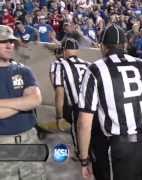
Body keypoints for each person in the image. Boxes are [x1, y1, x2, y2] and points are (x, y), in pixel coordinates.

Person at [77, 25, 142, 180]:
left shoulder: (95, 69)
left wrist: (84, 159)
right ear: (125, 45)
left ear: (102, 47)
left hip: (123, 148)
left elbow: (84, 121)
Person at [53, 38, 110, 180]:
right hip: (97, 109)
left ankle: (85, 162)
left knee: (81, 141)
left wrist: (59, 116)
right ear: (77, 51)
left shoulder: (59, 64)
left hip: (78, 108)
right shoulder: (88, 64)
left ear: (65, 51)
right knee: (98, 143)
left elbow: (59, 92)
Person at [0, 25, 46, 180]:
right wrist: (22, 103)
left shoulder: (23, 70)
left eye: (11, 41)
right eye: (3, 41)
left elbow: (35, 99)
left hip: (29, 139)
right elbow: (28, 102)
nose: (9, 45)